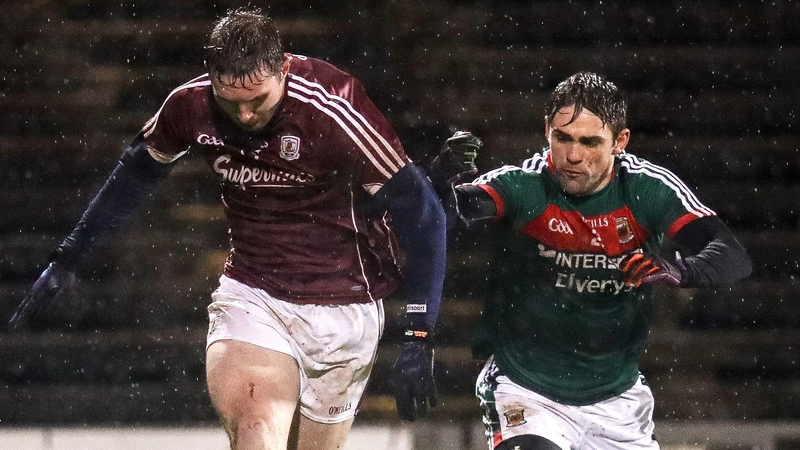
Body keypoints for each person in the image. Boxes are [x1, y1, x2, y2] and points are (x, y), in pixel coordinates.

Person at [11, 7, 442, 450]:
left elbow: (424, 216)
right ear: (211, 76)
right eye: (231, 101)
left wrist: (419, 332)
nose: (246, 115)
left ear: (283, 70)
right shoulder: (190, 105)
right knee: (255, 430)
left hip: (345, 308)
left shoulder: (334, 110)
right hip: (254, 296)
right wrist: (69, 257)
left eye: (258, 100)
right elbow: (135, 174)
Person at [428, 72, 752, 450]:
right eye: (562, 138)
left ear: (620, 142)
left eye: (590, 142)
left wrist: (680, 270)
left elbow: (733, 256)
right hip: (527, 392)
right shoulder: (523, 184)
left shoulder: (648, 188)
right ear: (546, 129)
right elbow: (447, 213)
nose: (573, 156)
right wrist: (439, 179)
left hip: (618, 402)